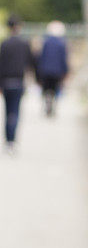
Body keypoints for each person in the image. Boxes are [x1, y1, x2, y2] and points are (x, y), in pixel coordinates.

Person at [0, 14, 35, 152]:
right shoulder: (24, 44)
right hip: (18, 82)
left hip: (5, 82)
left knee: (7, 111)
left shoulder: (4, 44)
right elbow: (31, 63)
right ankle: (12, 141)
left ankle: (7, 139)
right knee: (15, 112)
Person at [37, 21, 69, 117]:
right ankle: (52, 104)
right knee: (55, 89)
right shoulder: (61, 44)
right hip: (57, 71)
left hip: (45, 70)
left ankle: (47, 101)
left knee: (46, 88)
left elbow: (41, 57)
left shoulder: (45, 42)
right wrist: (65, 71)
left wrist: (38, 71)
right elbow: (63, 59)